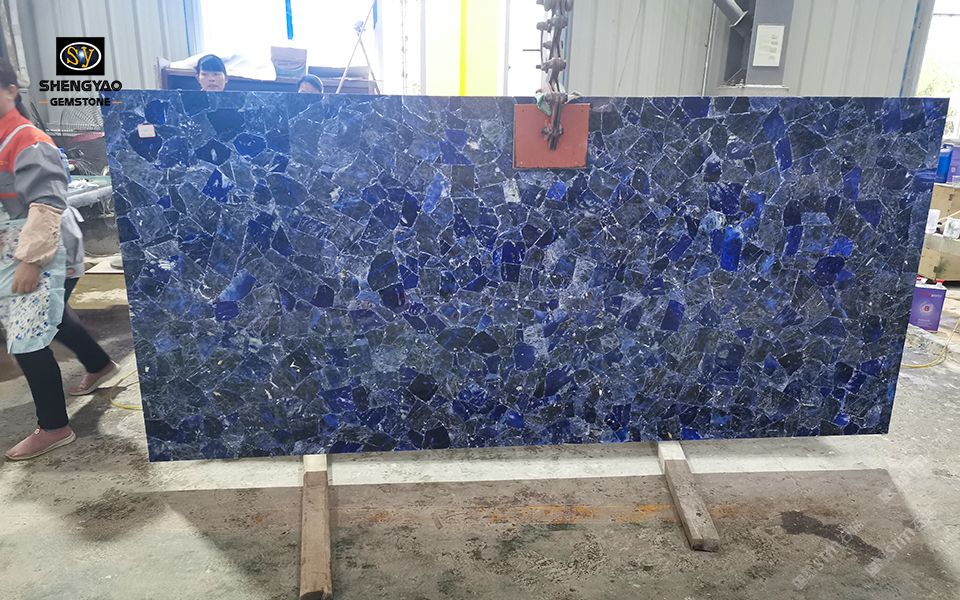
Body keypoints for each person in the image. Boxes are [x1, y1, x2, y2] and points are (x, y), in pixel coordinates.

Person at [0, 60, 117, 461]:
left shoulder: (27, 139)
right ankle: (99, 364)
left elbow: (47, 203)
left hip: (39, 246)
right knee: (54, 317)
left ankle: (53, 427)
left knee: (27, 338)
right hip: (14, 246)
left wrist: (31, 262)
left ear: (11, 91)